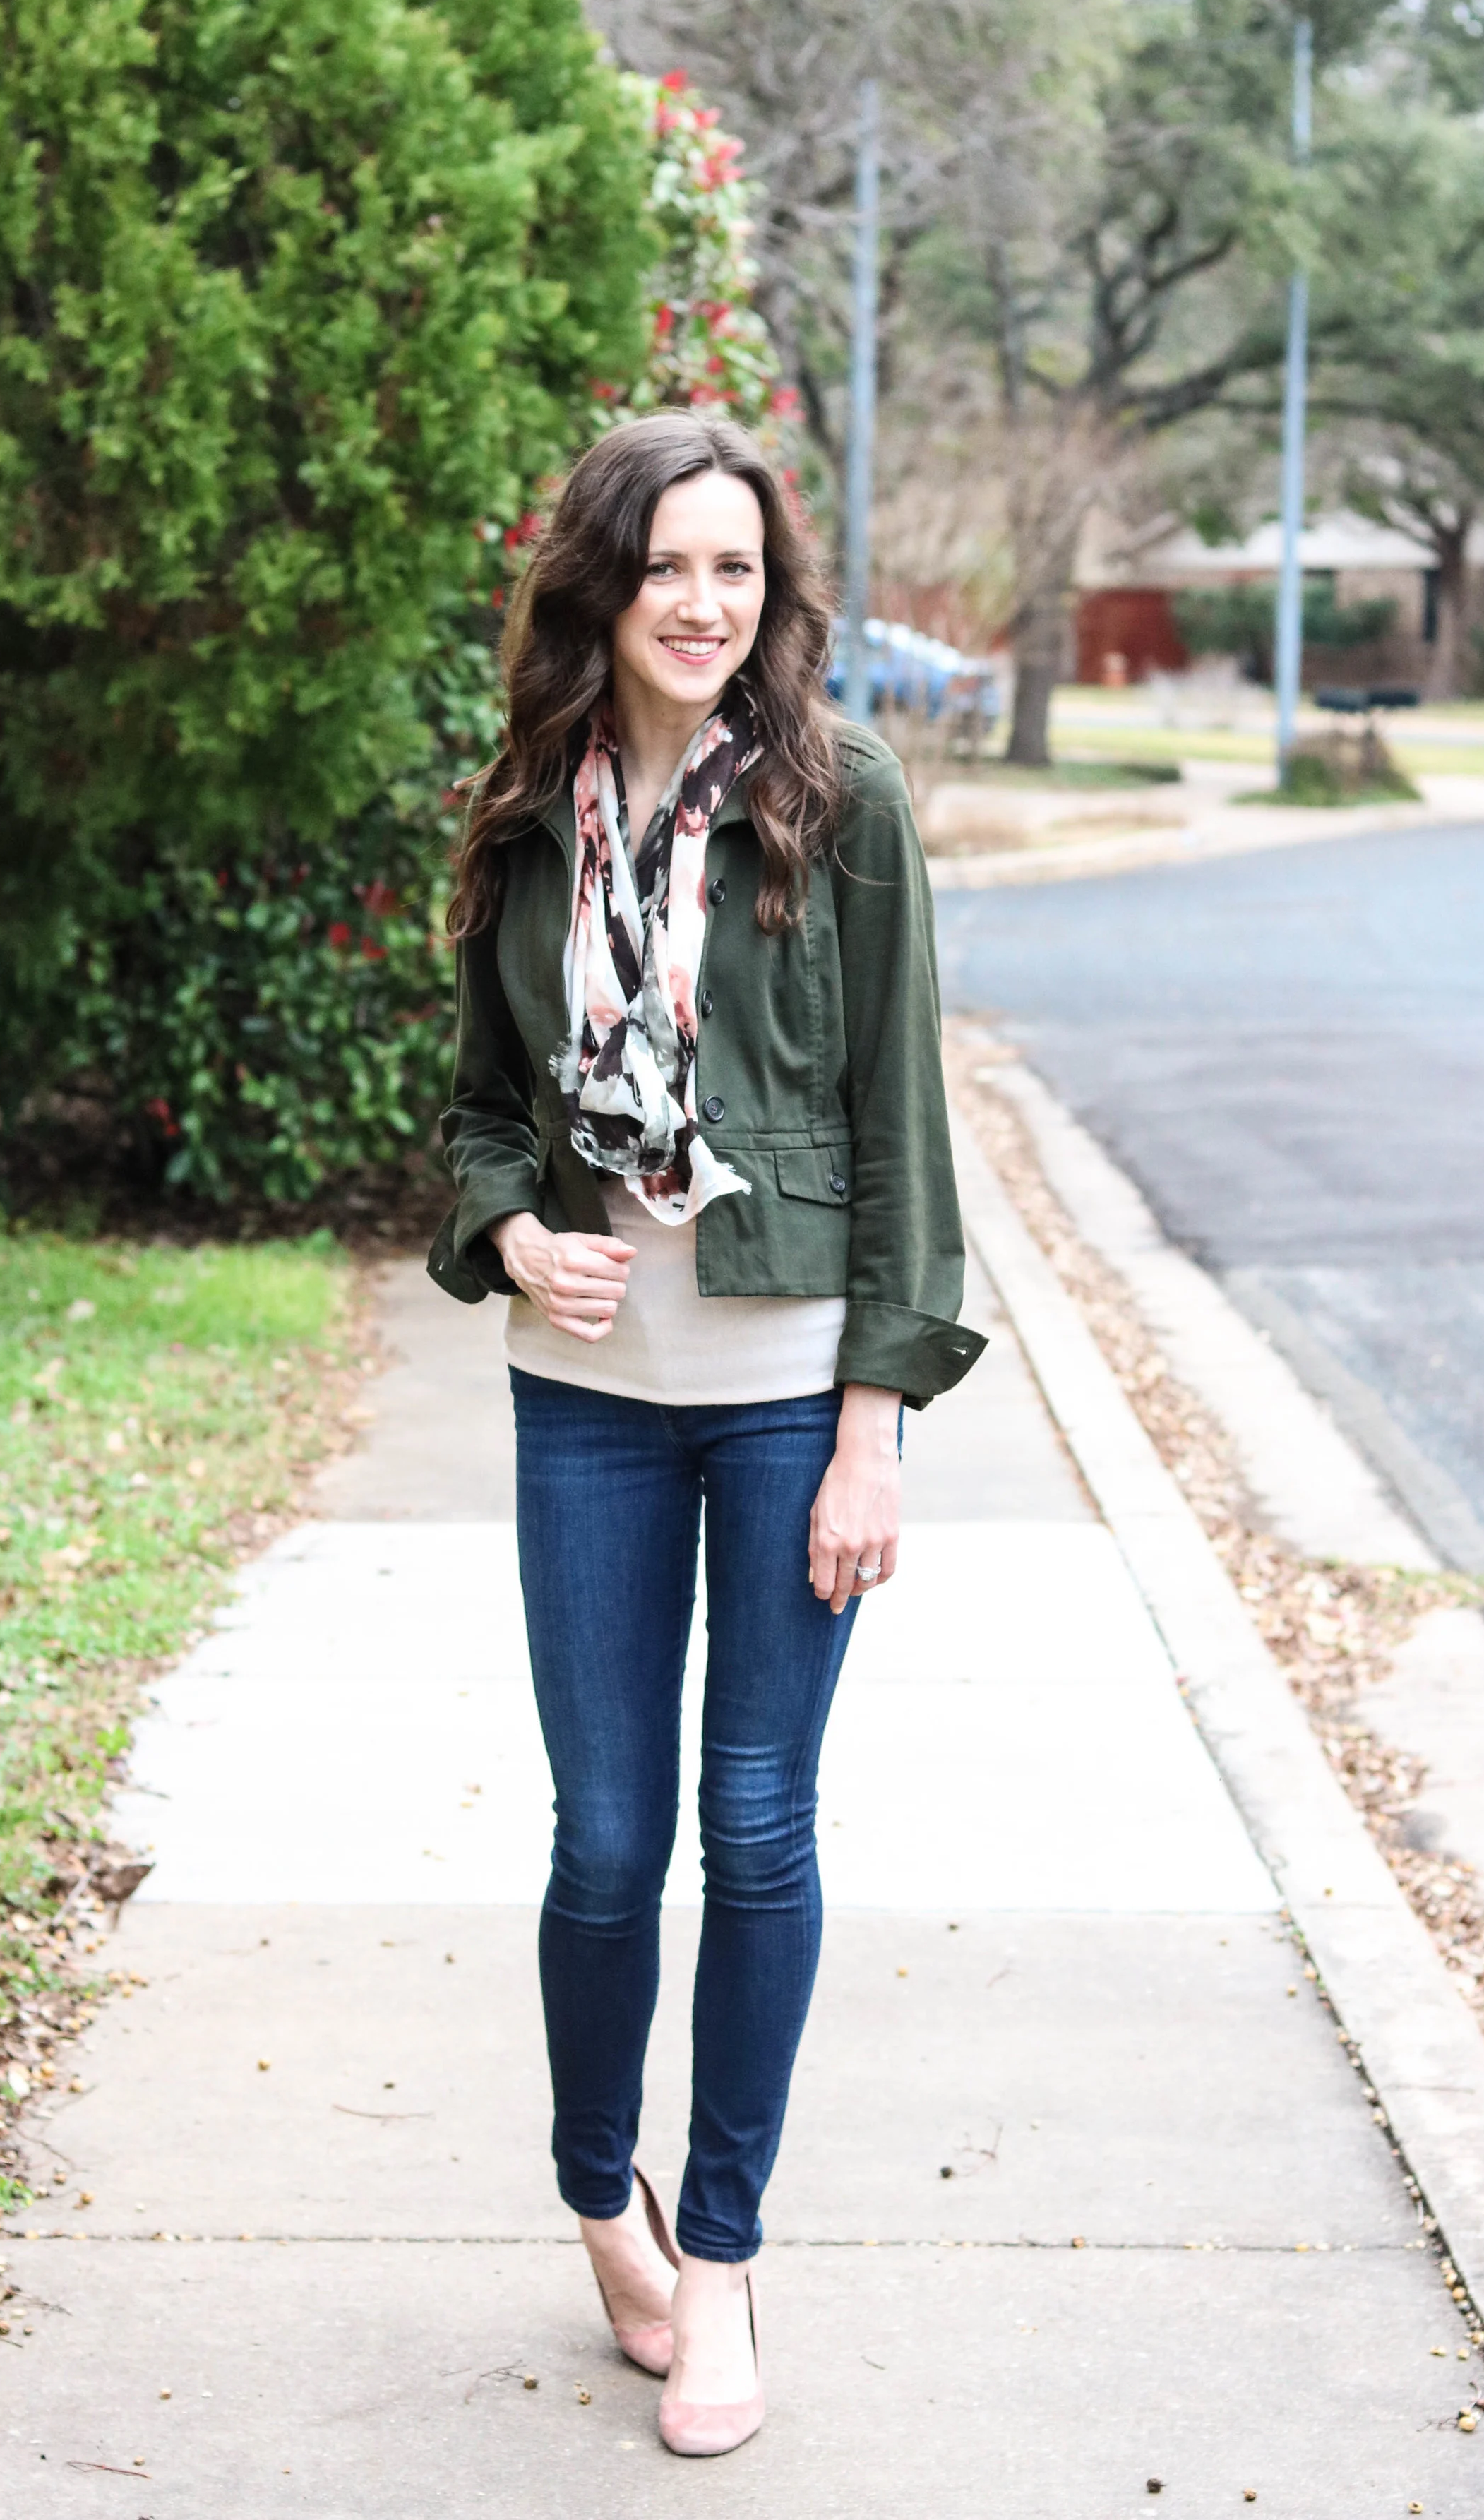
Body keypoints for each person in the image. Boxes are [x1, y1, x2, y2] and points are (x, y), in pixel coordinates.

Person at [429, 411, 983, 2457]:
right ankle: (606, 2202)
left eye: (733, 568)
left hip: (778, 1402)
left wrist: (873, 1435)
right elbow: (487, 1104)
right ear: (603, 582)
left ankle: (724, 2252)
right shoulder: (517, 816)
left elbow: (896, 1136)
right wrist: (509, 1230)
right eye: (666, 564)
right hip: (581, 1405)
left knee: (755, 1830)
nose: (700, 600)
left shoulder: (844, 806)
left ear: (771, 593)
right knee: (602, 1844)